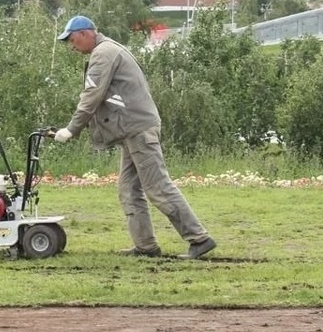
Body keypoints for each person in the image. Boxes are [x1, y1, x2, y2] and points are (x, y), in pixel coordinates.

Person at [52, 15, 217, 259]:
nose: (71, 45)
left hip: (138, 130)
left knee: (157, 187)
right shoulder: (109, 50)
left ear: (86, 34)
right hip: (132, 130)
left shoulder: (103, 53)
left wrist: (71, 129)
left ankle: (199, 239)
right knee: (128, 189)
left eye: (72, 40)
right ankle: (146, 247)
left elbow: (91, 96)